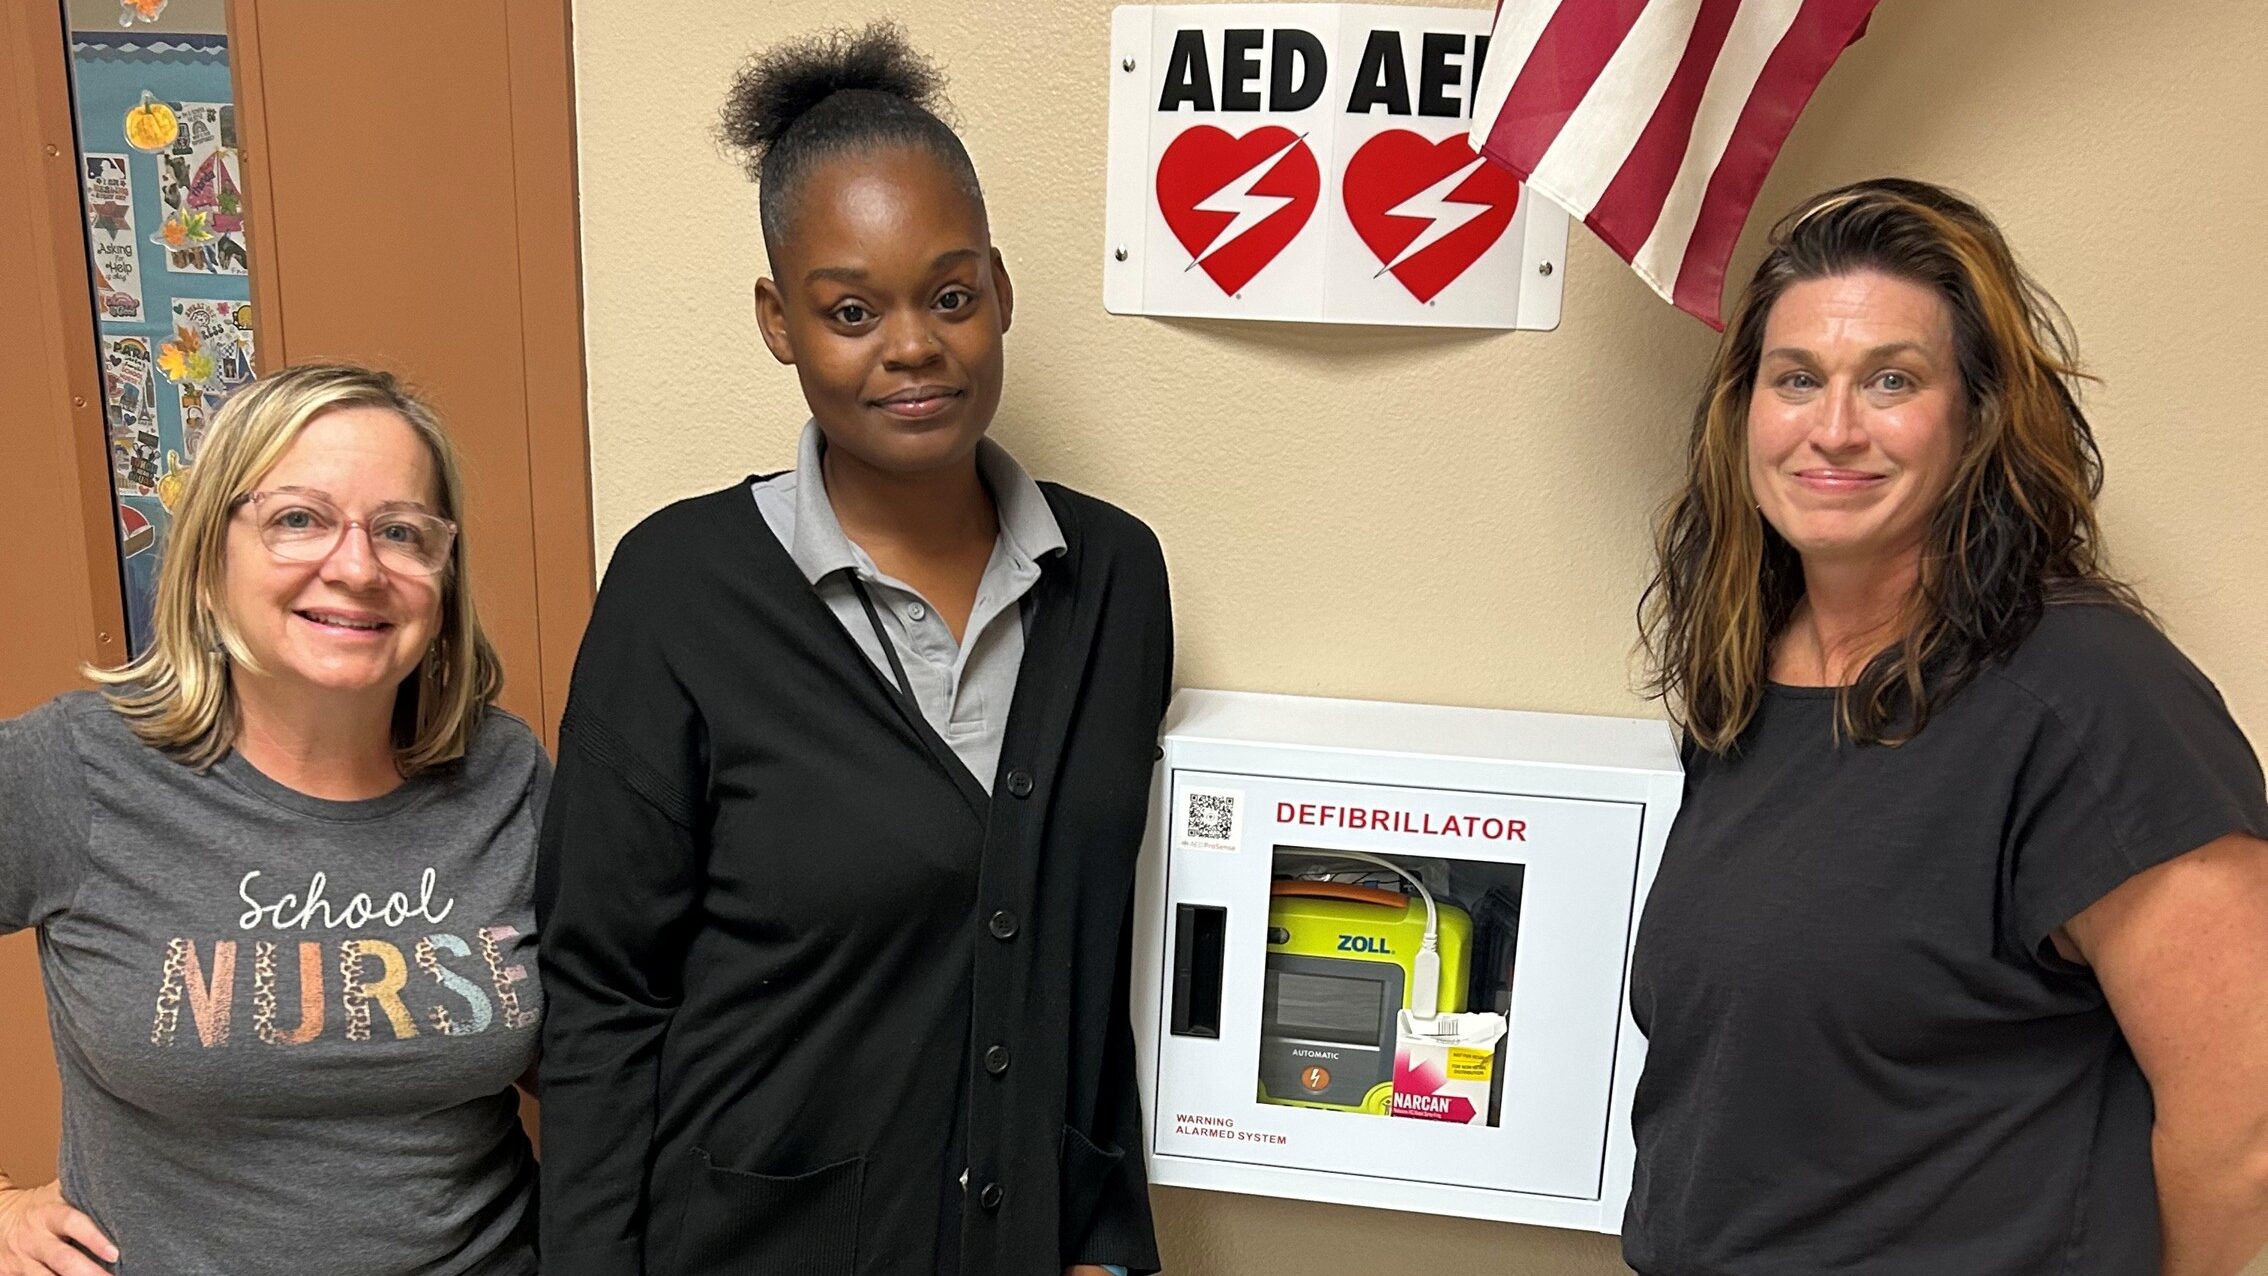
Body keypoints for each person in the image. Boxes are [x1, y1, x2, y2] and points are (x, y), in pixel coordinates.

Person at [534, 23, 1171, 1276]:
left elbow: (1085, 954)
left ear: (1000, 290)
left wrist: (1101, 1231)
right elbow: (602, 996)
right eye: (849, 310)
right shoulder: (679, 591)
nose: (914, 345)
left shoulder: (1112, 580)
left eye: (950, 295)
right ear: (780, 322)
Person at [1625, 178, 2268, 1275]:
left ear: (1974, 414)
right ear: (1745, 412)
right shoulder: (1751, 675)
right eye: (1796, 379)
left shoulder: (2087, 696)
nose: (1833, 427)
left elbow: (2246, 1138)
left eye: (1891, 379)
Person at [0, 363, 546, 1276]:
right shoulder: (75, 770)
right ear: (213, 554)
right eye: (299, 519)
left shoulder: (506, 774)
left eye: (403, 532)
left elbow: (596, 1050)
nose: (359, 567)